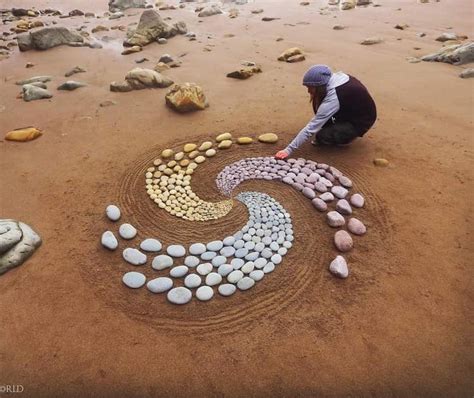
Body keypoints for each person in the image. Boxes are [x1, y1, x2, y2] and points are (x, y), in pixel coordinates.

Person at [275, 65, 377, 160]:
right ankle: (337, 126)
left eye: (310, 88)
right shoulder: (335, 78)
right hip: (349, 110)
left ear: (320, 86)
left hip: (361, 120)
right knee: (320, 109)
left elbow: (311, 128)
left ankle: (346, 137)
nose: (308, 91)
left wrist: (289, 149)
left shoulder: (335, 96)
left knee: (322, 136)